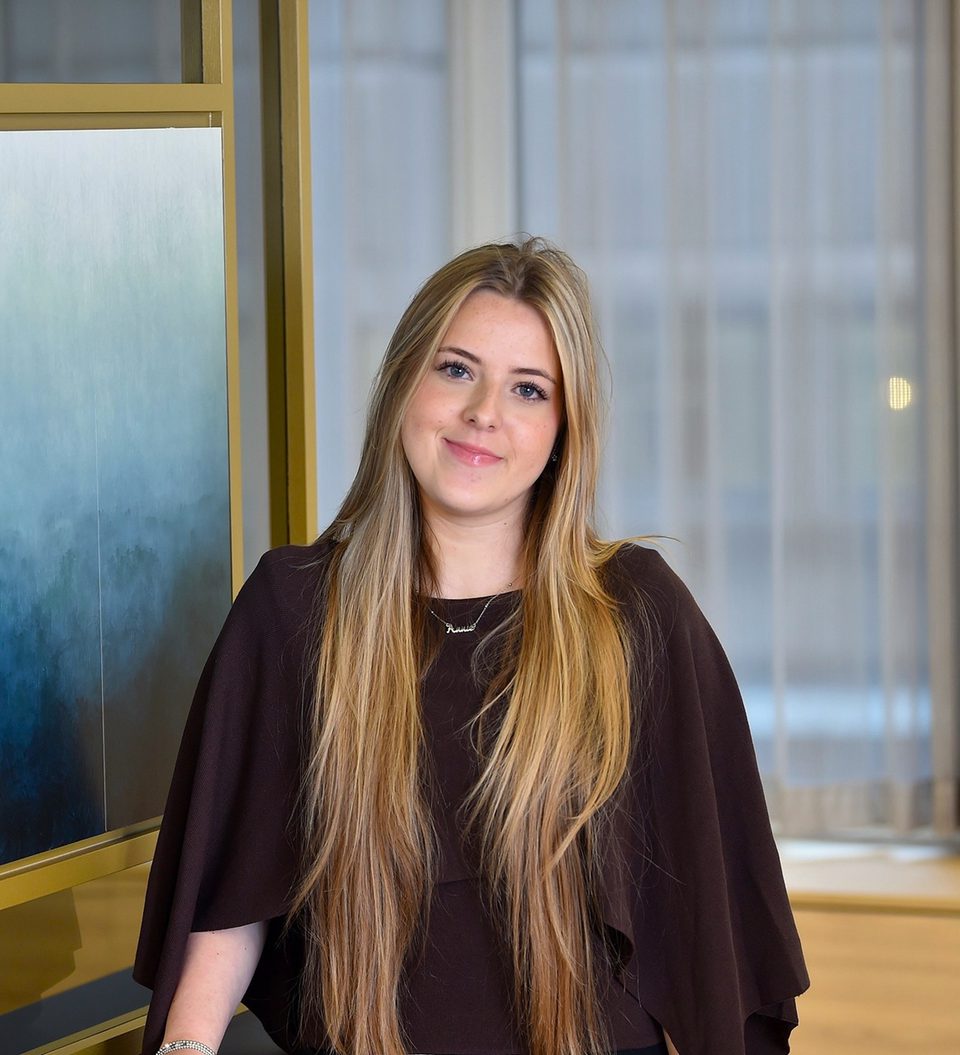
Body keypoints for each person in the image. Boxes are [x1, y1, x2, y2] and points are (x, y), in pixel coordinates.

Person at [134, 238, 808, 1055]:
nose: (485, 411)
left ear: (563, 430)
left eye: (529, 389)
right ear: (403, 383)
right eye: (456, 369)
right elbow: (231, 895)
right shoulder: (294, 607)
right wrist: (186, 1046)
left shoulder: (637, 611)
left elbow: (712, 916)